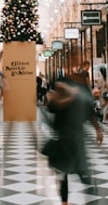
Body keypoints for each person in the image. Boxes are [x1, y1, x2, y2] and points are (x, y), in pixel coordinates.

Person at [44, 77, 103, 205]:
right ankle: (65, 202)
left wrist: (98, 130)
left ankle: (88, 200)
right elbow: (53, 107)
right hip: (65, 141)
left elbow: (90, 114)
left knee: (81, 174)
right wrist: (71, 96)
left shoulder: (76, 99)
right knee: (66, 175)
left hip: (75, 141)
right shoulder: (60, 99)